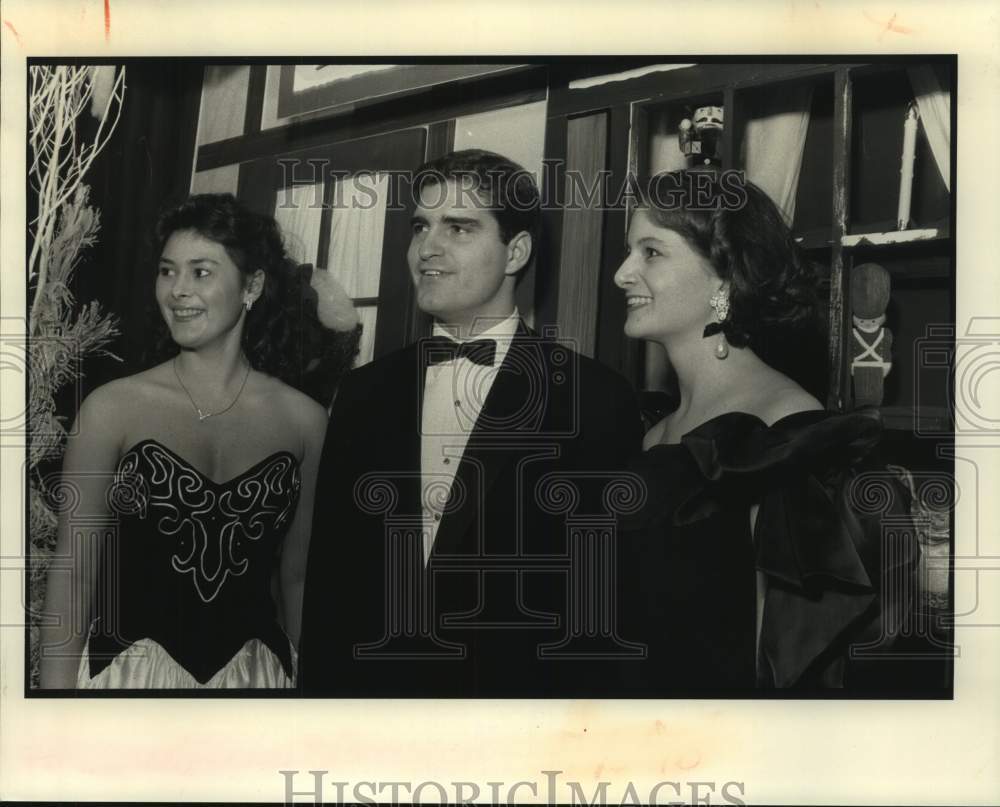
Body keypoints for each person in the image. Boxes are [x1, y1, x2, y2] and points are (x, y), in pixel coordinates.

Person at [299, 149, 643, 696]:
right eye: (421, 227)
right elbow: (330, 587)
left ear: (516, 252)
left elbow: (604, 615)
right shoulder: (363, 393)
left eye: (458, 228)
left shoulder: (594, 399)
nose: (426, 249)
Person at [613, 170, 919, 692]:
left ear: (725, 279)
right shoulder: (651, 430)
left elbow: (793, 667)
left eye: (652, 252)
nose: (622, 273)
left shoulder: (786, 437)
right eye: (629, 251)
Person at [39, 193, 358, 689]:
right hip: (127, 683)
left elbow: (296, 581)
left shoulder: (306, 423)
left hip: (255, 684)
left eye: (201, 272)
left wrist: (309, 701)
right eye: (167, 272)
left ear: (251, 286)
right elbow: (75, 574)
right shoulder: (111, 408)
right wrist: (53, 715)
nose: (177, 291)